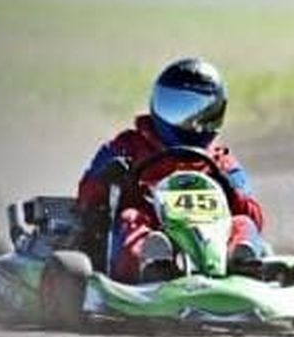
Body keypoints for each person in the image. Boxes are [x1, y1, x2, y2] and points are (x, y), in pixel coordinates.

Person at [76, 57, 267, 283]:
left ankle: (241, 265)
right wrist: (108, 178)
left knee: (242, 225)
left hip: (208, 235)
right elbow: (85, 200)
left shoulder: (220, 160)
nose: (189, 123)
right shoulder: (125, 147)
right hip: (151, 226)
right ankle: (153, 266)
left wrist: (230, 186)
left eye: (200, 112)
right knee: (132, 218)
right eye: (178, 108)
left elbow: (255, 217)